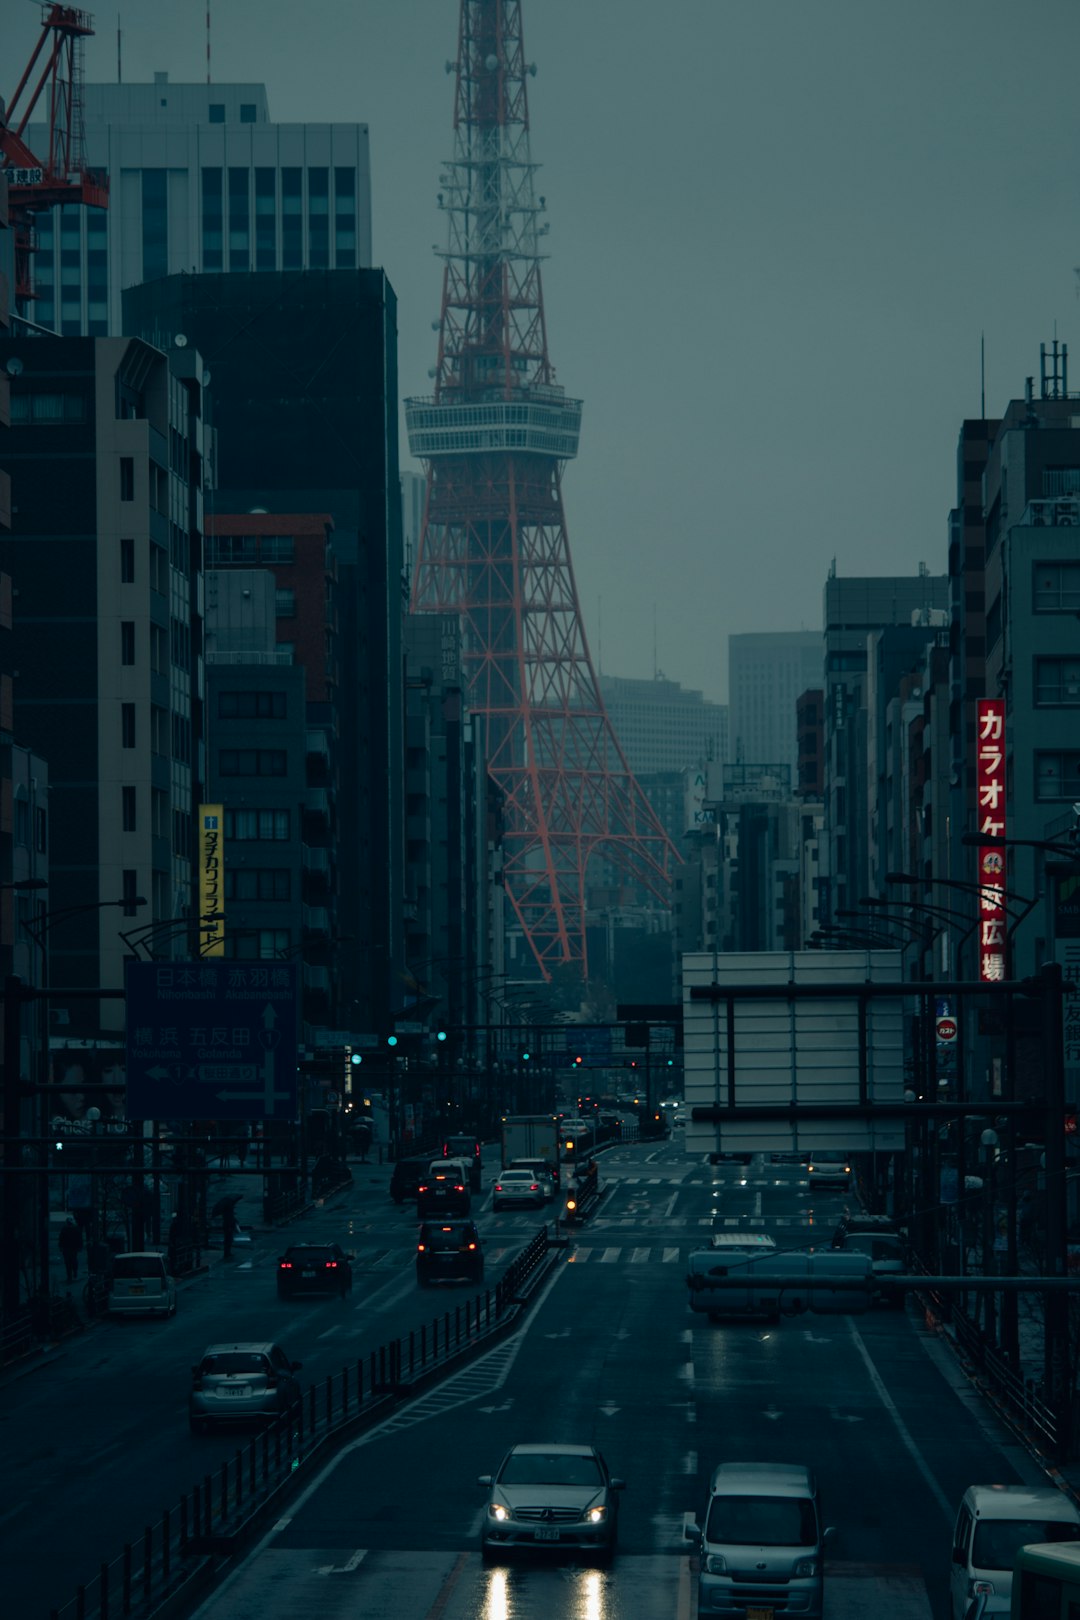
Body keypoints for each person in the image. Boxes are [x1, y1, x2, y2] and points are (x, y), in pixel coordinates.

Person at [58, 1216, 82, 1283]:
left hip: (66, 1248)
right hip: (73, 1248)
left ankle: (69, 1276)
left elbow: (61, 1238)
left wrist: (60, 1246)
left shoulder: (64, 1229)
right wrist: (80, 1247)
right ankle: (74, 1272)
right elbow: (79, 1239)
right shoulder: (76, 1229)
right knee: (73, 1260)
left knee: (68, 1263)